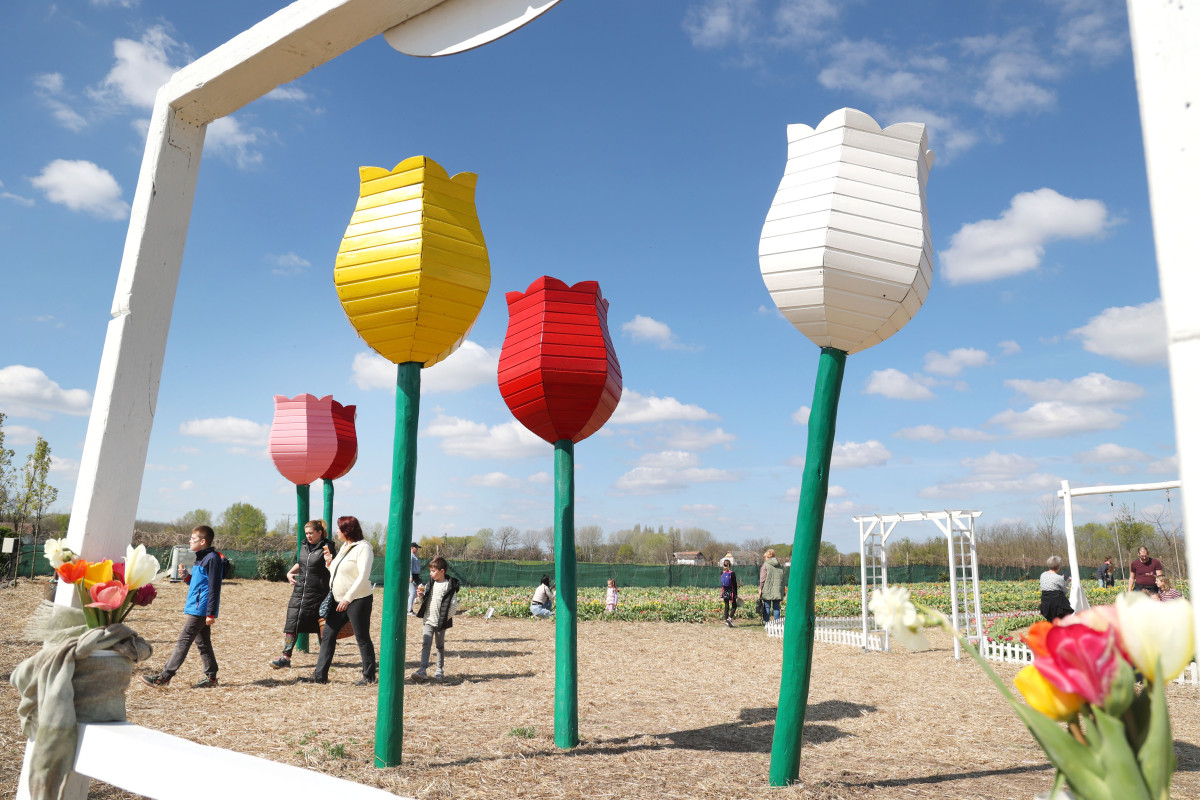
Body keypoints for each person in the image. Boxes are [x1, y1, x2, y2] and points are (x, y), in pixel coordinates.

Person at [141, 526, 223, 688]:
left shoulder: (212, 558)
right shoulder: (200, 558)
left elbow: (214, 587)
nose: (189, 541)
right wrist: (187, 577)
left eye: (193, 539)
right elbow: (200, 583)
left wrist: (211, 613)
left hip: (201, 608)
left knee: (183, 640)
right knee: (203, 643)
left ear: (203, 541)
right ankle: (211, 677)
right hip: (197, 606)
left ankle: (164, 677)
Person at [300, 515, 376, 685]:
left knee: (362, 637)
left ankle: (369, 676)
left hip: (358, 599)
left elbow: (363, 576)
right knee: (327, 634)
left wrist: (348, 598)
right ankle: (320, 676)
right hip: (338, 599)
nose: (336, 531)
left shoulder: (364, 548)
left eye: (339, 528)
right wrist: (329, 563)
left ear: (348, 530)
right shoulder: (345, 546)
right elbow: (339, 571)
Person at [269, 520, 336, 669]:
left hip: (319, 593)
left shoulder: (328, 547)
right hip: (299, 592)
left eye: (311, 533)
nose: (308, 536)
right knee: (292, 624)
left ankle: (324, 660)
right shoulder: (304, 546)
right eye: (307, 533)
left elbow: (333, 566)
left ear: (320, 532)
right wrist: (290, 573)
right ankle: (285, 658)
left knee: (322, 628)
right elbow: (302, 563)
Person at [411, 556, 460, 682]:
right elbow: (426, 600)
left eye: (433, 571)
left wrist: (444, 619)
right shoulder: (430, 583)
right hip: (428, 620)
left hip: (440, 622)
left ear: (442, 571)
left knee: (439, 646)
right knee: (426, 644)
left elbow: (453, 606)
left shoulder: (449, 586)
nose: (430, 573)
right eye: (430, 571)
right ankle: (422, 670)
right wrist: (421, 596)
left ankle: (439, 669)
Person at [1039, 555, 1075, 622]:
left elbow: (1051, 580)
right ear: (1059, 567)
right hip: (1056, 605)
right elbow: (1065, 591)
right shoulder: (1058, 578)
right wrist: (1067, 582)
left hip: (1045, 603)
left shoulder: (1042, 575)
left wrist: (1061, 579)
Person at [759, 549, 785, 623]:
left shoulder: (765, 565)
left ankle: (767, 623)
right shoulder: (779, 565)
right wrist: (783, 590)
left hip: (767, 589)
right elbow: (782, 579)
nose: (765, 558)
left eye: (765, 557)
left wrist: (760, 588)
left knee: (767, 606)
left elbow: (762, 579)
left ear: (768, 557)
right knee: (776, 607)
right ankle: (777, 623)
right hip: (777, 590)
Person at [720, 560, 738, 627]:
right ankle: (729, 618)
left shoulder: (722, 573)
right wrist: (736, 594)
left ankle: (726, 621)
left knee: (726, 606)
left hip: (724, 591)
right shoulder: (732, 573)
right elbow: (735, 584)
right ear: (730, 565)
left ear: (723, 565)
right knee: (734, 605)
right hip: (731, 591)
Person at [408, 542, 422, 615]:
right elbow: (409, 566)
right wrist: (410, 576)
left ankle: (409, 609)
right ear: (411, 548)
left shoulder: (414, 556)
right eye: (416, 548)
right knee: (412, 593)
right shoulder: (411, 555)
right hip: (412, 576)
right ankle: (409, 610)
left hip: (415, 576)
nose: (417, 549)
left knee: (412, 593)